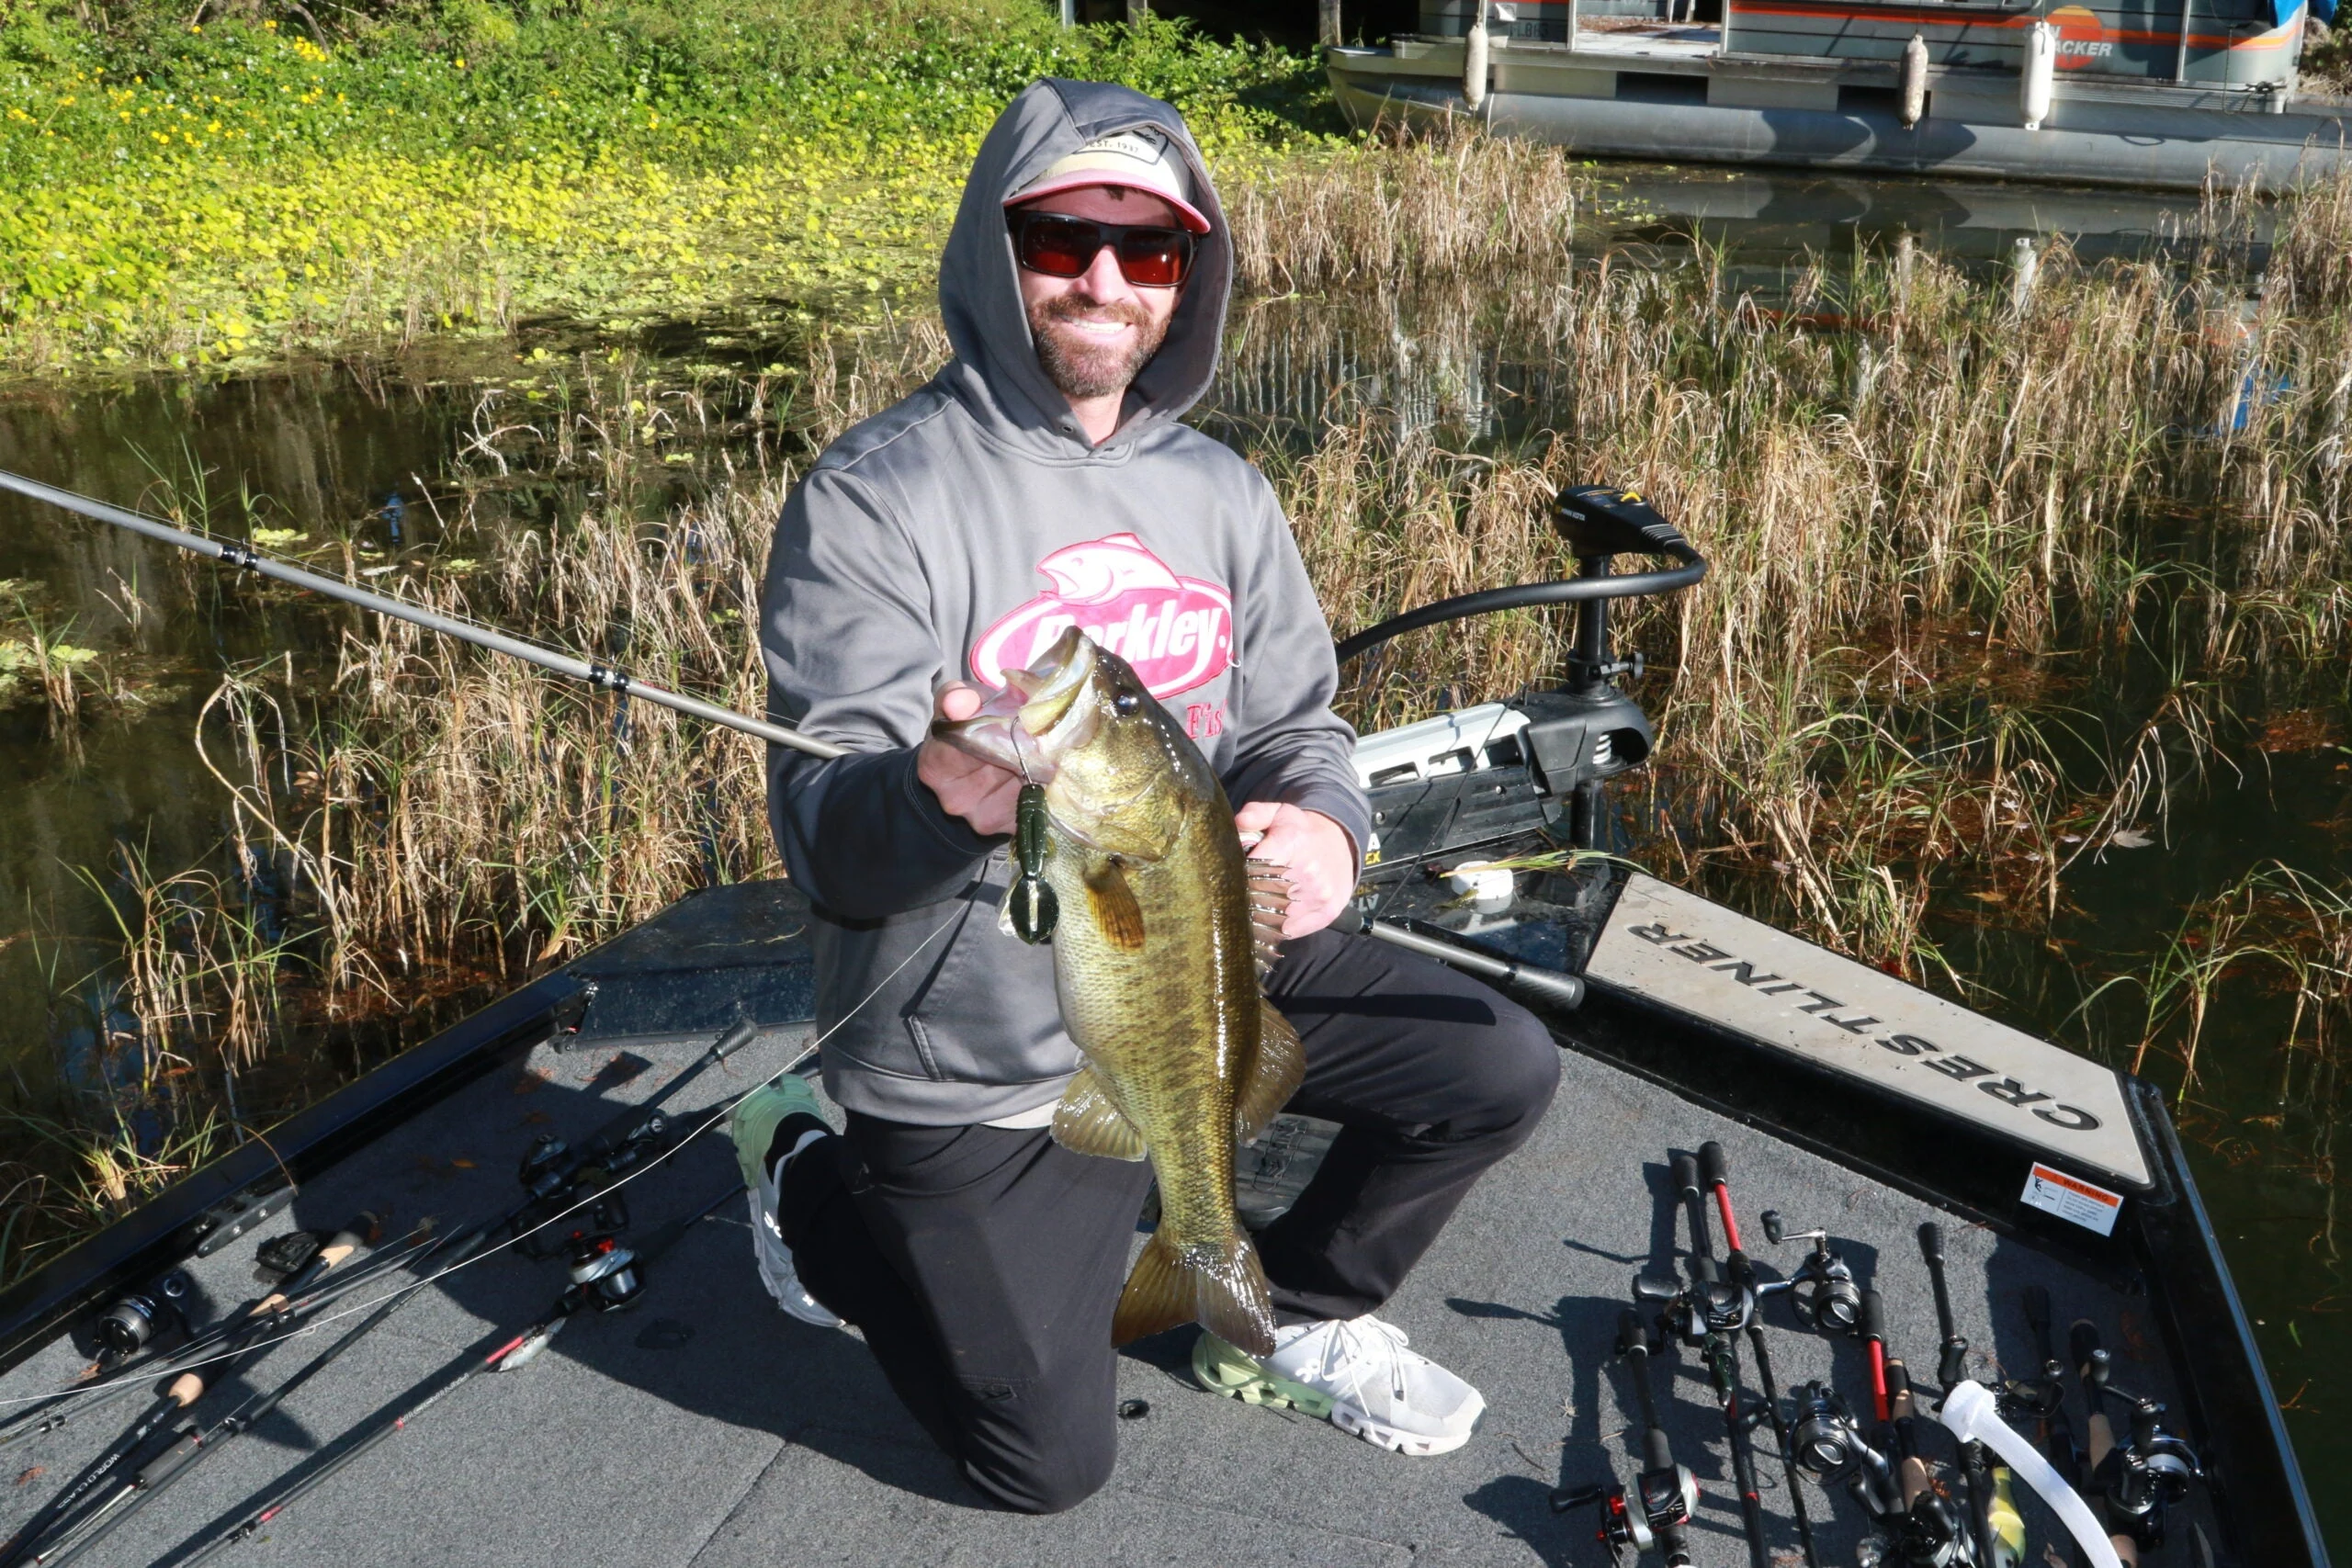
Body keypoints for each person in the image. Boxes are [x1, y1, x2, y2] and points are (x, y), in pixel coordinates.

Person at [735, 78, 1560, 1515]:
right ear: (1000, 251)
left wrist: (1326, 824)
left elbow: (1299, 723)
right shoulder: (872, 498)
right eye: (1062, 236)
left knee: (1495, 1067)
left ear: (1192, 273)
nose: (1106, 279)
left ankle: (1281, 1307)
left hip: (1185, 968)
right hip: (966, 1063)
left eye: (1152, 248)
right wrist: (939, 796)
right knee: (1043, 1467)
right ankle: (807, 1180)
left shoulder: (1224, 493)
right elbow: (830, 854)